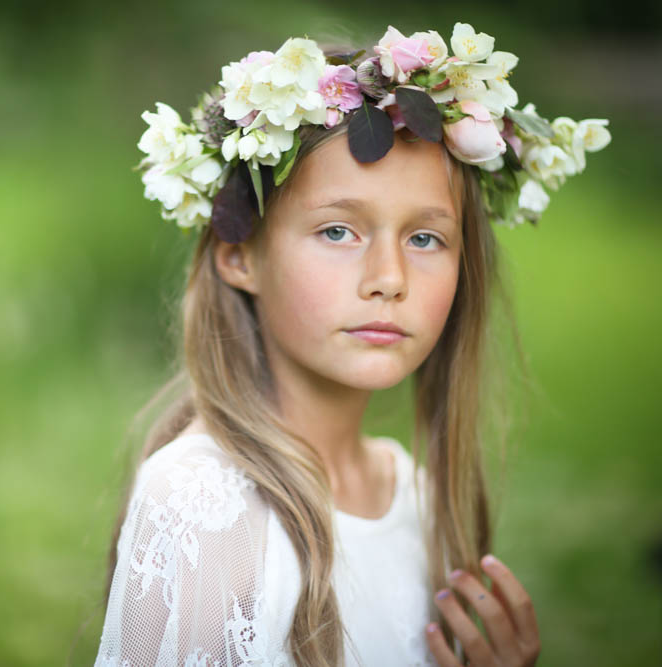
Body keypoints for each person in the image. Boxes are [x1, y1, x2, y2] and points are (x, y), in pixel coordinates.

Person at [95, 23, 609, 667]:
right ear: (238, 256)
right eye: (339, 231)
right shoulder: (205, 504)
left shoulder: (416, 497)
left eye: (425, 239)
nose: (389, 279)